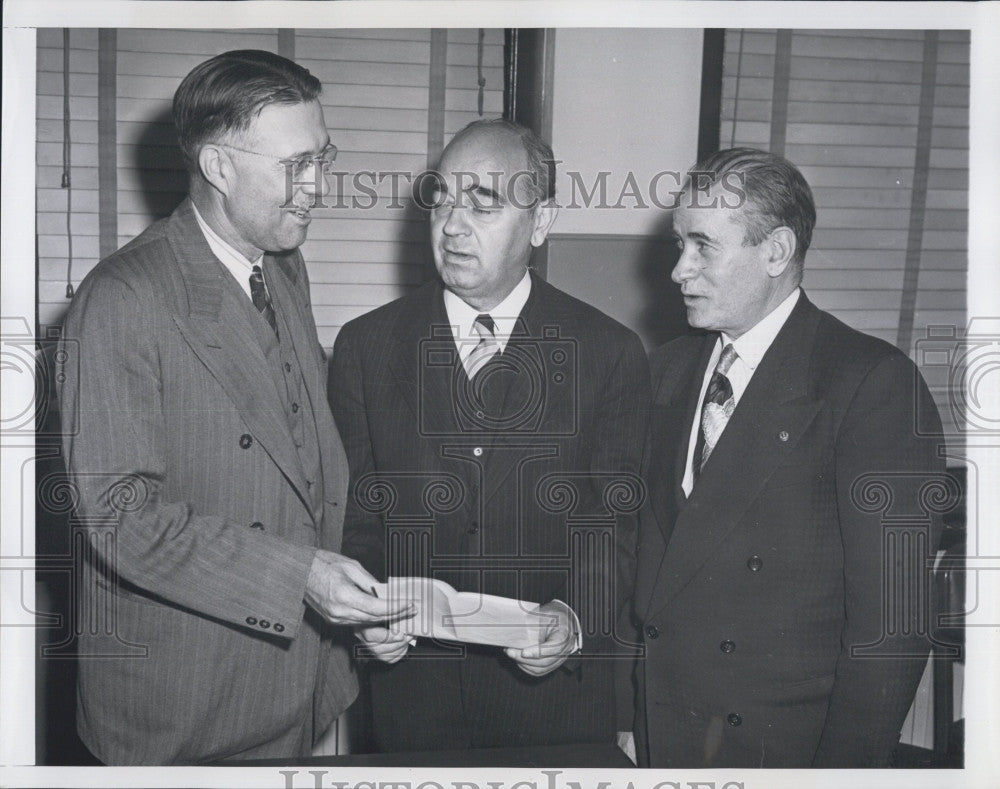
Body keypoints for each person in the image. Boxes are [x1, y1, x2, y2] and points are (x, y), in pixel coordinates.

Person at [56, 49, 410, 765]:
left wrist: (353, 600)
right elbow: (117, 514)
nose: (321, 185)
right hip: (186, 704)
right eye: (297, 164)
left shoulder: (282, 265)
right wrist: (298, 578)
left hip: (290, 678)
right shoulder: (122, 297)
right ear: (219, 168)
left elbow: (303, 458)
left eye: (325, 156)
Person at [330, 118, 650, 753]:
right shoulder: (366, 345)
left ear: (540, 221)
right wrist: (366, 620)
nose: (452, 225)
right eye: (442, 198)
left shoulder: (610, 352)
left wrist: (574, 617)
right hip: (410, 702)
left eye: (484, 202)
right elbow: (354, 517)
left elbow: (616, 527)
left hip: (554, 706)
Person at [632, 147, 947, 767]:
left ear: (775, 251)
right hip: (663, 731)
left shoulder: (870, 383)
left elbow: (893, 626)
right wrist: (626, 719)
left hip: (785, 747)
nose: (678, 270)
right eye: (678, 244)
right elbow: (640, 566)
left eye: (703, 246)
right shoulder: (664, 372)